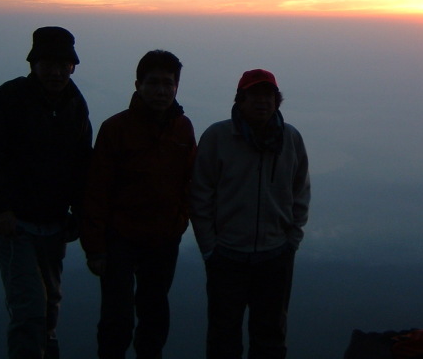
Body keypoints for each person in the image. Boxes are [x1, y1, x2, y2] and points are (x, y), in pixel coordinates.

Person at [0, 26, 93, 359]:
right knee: (29, 306)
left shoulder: (75, 106)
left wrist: (78, 217)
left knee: (50, 303)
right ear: (33, 65)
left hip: (52, 221)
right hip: (12, 221)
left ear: (72, 66)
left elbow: (82, 165)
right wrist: (1, 208)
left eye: (62, 64)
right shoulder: (7, 100)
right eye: (47, 64)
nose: (55, 71)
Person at [80, 50, 196, 359]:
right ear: (138, 85)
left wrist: (180, 220)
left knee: (155, 315)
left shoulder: (183, 128)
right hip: (119, 239)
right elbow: (96, 190)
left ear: (177, 87)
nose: (161, 91)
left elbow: (190, 180)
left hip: (163, 238)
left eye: (168, 84)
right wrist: (95, 247)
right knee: (117, 319)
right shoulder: (115, 129)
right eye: (153, 83)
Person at [190, 69, 311, 359]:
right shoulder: (218, 137)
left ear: (277, 101)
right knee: (223, 337)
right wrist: (210, 248)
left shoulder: (290, 139)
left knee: (270, 337)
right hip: (227, 256)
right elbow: (200, 195)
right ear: (240, 100)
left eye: (268, 95)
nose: (262, 102)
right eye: (254, 95)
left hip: (275, 256)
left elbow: (301, 191)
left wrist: (292, 240)